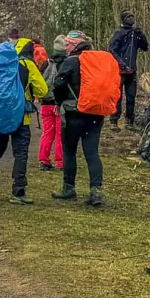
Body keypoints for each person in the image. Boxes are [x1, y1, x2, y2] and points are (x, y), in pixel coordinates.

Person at [0, 36, 49, 205]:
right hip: (20, 117)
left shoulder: (0, 63)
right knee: (20, 153)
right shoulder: (27, 64)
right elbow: (43, 90)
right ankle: (18, 191)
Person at [50, 30, 107, 207]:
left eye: (67, 44)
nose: (65, 47)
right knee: (92, 153)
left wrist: (58, 102)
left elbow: (58, 83)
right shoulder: (98, 61)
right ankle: (96, 191)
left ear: (75, 44)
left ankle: (69, 188)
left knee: (69, 151)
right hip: (96, 113)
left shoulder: (72, 61)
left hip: (73, 112)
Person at [108, 11, 149, 129]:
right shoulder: (119, 33)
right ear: (123, 20)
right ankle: (114, 121)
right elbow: (112, 50)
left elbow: (145, 47)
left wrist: (141, 34)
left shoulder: (135, 33)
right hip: (119, 71)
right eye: (128, 17)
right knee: (117, 96)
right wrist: (122, 64)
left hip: (132, 70)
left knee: (131, 97)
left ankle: (129, 121)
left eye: (132, 16)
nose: (131, 18)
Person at [36, 35, 67, 171]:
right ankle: (60, 162)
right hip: (60, 104)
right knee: (61, 134)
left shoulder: (46, 63)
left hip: (45, 103)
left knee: (47, 133)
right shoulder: (67, 63)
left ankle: (44, 160)